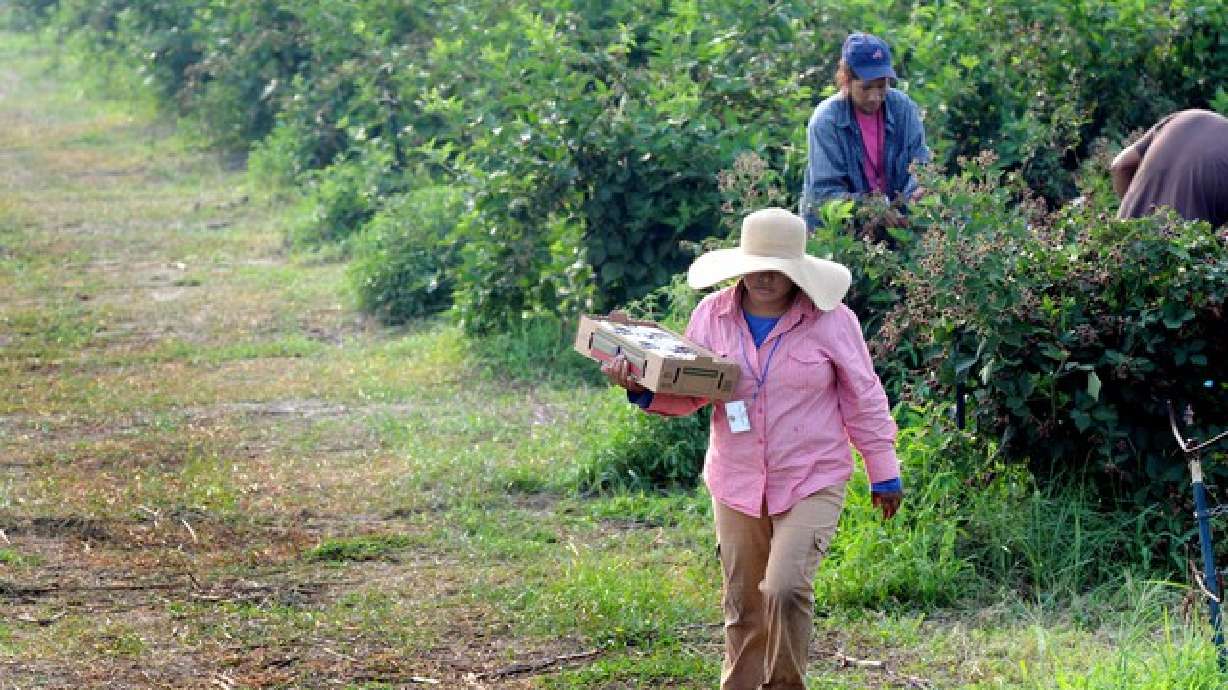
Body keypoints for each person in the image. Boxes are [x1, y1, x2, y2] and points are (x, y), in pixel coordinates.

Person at [601, 207, 903, 690]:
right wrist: (638, 388)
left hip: (812, 476)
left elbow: (863, 396)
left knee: (785, 588)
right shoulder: (712, 315)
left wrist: (883, 471)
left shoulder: (832, 320)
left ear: (796, 271)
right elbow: (692, 389)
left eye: (777, 268)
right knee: (744, 605)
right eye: (757, 265)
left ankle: (784, 685)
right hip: (736, 478)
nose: (765, 277)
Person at [800, 32, 930, 236]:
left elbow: (920, 161)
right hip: (839, 232)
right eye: (866, 88)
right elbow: (825, 194)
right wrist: (871, 208)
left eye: (881, 86)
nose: (875, 97)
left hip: (897, 225)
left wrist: (917, 193)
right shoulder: (827, 121)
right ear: (846, 81)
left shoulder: (902, 108)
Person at [1110, 109, 1228, 228]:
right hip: (1179, 236)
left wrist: (1132, 210)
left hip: (1122, 235)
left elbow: (1120, 166)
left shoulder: (1187, 117)